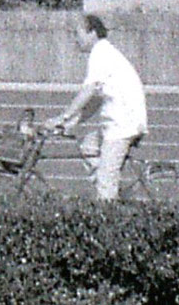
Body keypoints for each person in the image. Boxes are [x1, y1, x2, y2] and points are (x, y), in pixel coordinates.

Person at [44, 13, 147, 201]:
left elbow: (88, 90)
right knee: (88, 146)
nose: (76, 40)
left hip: (122, 126)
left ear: (91, 33)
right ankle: (111, 190)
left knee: (106, 181)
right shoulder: (104, 53)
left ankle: (107, 199)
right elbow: (96, 99)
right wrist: (74, 121)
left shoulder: (101, 53)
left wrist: (63, 117)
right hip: (120, 122)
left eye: (78, 34)